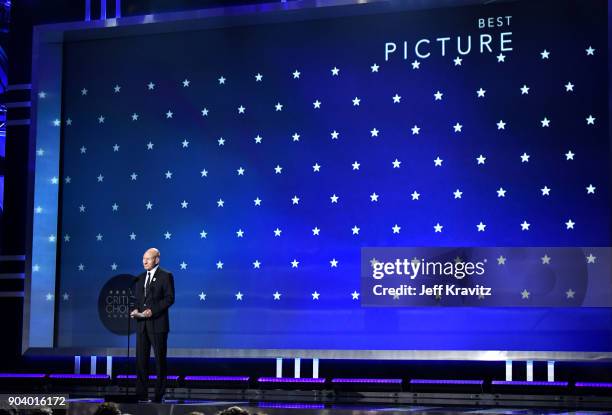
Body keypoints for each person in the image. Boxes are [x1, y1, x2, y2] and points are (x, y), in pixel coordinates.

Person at [130, 248, 175, 402]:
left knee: (159, 360)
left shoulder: (166, 276)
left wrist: (152, 311)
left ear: (157, 259)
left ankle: (159, 394)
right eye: (143, 258)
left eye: (148, 258)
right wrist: (135, 309)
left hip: (158, 325)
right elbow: (136, 300)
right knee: (141, 360)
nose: (144, 261)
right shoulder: (140, 278)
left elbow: (169, 299)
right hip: (142, 324)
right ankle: (141, 393)